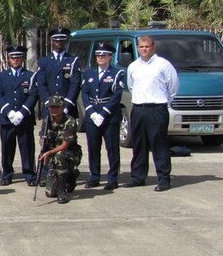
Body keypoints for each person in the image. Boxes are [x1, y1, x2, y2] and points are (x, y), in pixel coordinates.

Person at [125, 35, 179, 191]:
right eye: (141, 47)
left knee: (159, 144)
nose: (144, 49)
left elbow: (173, 86)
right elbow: (131, 86)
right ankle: (138, 177)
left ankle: (163, 179)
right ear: (137, 48)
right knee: (139, 144)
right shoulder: (133, 66)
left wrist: (163, 101)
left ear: (153, 47)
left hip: (157, 108)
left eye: (147, 46)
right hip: (139, 108)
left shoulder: (163, 65)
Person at [81, 41, 125, 190]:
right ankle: (94, 176)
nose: (100, 57)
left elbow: (116, 95)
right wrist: (91, 112)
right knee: (93, 148)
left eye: (103, 55)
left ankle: (112, 178)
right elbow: (85, 93)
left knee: (112, 148)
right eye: (98, 55)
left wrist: (104, 112)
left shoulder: (116, 73)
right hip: (92, 115)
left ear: (110, 57)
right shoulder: (89, 73)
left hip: (110, 116)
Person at [0, 45, 38, 187]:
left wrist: (22, 112)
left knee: (27, 147)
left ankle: (29, 173)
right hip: (7, 118)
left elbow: (33, 95)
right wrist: (9, 112)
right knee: (7, 147)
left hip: (24, 118)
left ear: (23, 58)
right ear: (8, 59)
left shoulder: (30, 76)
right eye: (13, 57)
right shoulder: (1, 76)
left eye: (18, 57)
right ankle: (6, 174)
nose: (15, 60)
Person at [39, 95, 82, 204]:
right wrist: (43, 146)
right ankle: (68, 177)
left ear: (62, 107)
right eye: (51, 107)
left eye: (56, 107)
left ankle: (62, 191)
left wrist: (50, 152)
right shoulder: (47, 120)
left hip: (70, 153)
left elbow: (65, 145)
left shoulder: (70, 121)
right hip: (53, 151)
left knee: (60, 157)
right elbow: (42, 137)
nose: (53, 109)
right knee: (50, 193)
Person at [35, 27, 82, 118]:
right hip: (49, 107)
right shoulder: (44, 61)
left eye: (61, 41)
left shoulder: (73, 61)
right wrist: (48, 102)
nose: (59, 43)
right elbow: (41, 83)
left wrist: (67, 104)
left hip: (67, 106)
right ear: (52, 41)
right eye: (56, 41)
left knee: (68, 132)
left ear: (65, 42)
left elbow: (75, 84)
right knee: (48, 132)